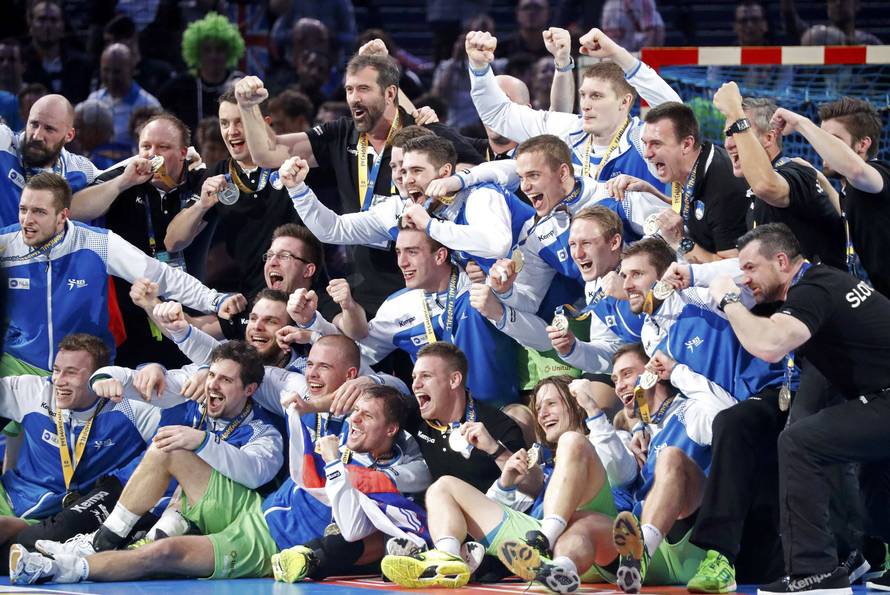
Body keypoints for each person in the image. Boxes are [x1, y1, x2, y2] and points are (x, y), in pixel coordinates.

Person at [696, 223, 890, 594]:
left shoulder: (812, 289)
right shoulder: (824, 283)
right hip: (879, 396)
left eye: (750, 268)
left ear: (782, 261)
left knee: (801, 442)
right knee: (873, 488)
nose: (743, 278)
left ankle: (814, 572)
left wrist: (727, 301)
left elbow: (769, 345)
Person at [9, 341, 288, 583]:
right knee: (116, 552)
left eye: (225, 380)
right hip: (144, 495)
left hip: (209, 515)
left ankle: (97, 542)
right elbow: (132, 378)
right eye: (212, 375)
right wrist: (111, 377)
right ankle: (59, 563)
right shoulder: (187, 398)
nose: (212, 384)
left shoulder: (264, 432)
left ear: (250, 389)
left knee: (170, 449)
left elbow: (254, 474)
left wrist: (202, 441)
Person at [381, 374, 620, 592]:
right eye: (538, 408)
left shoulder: (603, 441)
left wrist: (592, 408)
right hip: (539, 552)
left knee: (572, 442)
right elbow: (491, 511)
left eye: (552, 404)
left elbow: (621, 470)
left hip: (596, 543)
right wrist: (505, 484)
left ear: (576, 403)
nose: (543, 413)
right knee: (443, 487)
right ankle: (448, 559)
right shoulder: (543, 462)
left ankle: (547, 540)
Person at [0, 172, 232, 377]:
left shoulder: (99, 243)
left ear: (63, 216)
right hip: (20, 365)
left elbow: (163, 276)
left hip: (86, 370)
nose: (26, 221)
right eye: (23, 209)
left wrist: (213, 299)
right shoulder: (6, 243)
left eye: (39, 212)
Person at [288, 225, 521, 406]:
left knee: (519, 417)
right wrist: (312, 321)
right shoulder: (397, 306)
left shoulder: (477, 282)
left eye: (412, 252)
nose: (402, 262)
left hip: (500, 409)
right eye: (398, 252)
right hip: (441, 422)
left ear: (440, 256)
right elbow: (356, 353)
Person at [466, 27, 680, 189]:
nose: (586, 104)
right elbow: (498, 114)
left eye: (596, 96)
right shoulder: (570, 129)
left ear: (625, 102)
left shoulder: (642, 138)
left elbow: (677, 113)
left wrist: (616, 53)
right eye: (584, 95)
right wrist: (479, 68)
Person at [283, 133, 532, 272]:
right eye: (399, 170)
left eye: (415, 170)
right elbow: (333, 229)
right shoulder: (400, 209)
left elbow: (497, 244)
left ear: (445, 171)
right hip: (510, 298)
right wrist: (298, 191)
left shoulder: (478, 193)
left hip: (549, 273)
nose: (405, 179)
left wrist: (460, 181)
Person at [0, 334, 160, 547]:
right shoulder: (33, 391)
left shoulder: (129, 407)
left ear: (98, 376)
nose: (58, 380)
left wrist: (155, 368)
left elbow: (175, 438)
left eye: (71, 373)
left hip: (73, 515)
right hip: (14, 499)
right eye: (57, 370)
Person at [481, 135, 668, 316]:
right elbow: (530, 298)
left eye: (533, 176)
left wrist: (630, 278)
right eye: (521, 177)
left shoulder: (615, 194)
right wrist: (506, 291)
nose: (524, 187)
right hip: (607, 323)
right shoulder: (535, 235)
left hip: (662, 301)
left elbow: (672, 237)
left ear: (562, 173)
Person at [164, 90, 301, 297]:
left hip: (300, 293)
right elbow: (173, 242)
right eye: (225, 123)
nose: (232, 131)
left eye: (241, 122)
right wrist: (201, 206)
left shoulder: (293, 162)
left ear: (264, 125)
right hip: (248, 299)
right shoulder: (217, 175)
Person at [712, 82, 844, 269]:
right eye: (728, 134)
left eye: (738, 132)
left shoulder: (797, 172)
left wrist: (735, 110)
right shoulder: (752, 191)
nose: (729, 144)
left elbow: (767, 185)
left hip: (823, 294)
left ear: (769, 138)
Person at [770, 97, 890, 297]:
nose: (822, 148)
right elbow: (846, 216)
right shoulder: (851, 190)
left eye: (832, 140)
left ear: (863, 144)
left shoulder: (879, 173)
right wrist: (820, 178)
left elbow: (856, 170)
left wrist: (801, 123)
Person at [626, 101, 749, 264]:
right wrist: (650, 191)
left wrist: (680, 241)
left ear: (686, 144)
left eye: (656, 144)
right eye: (645, 143)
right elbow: (696, 210)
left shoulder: (724, 188)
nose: (647, 154)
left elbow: (732, 268)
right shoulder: (690, 166)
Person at [0, 93, 98, 227]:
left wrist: (123, 181)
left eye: (49, 129)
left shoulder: (81, 169)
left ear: (69, 135)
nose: (37, 136)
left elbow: (118, 177)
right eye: (34, 124)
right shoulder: (4, 142)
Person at [157, 12, 245, 134]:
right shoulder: (180, 86)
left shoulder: (240, 83)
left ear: (229, 52)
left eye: (219, 49)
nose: (213, 55)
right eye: (207, 50)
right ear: (197, 53)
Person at [86, 44, 161, 148]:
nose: (111, 77)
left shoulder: (149, 105)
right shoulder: (94, 100)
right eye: (106, 70)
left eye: (117, 72)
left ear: (131, 70)